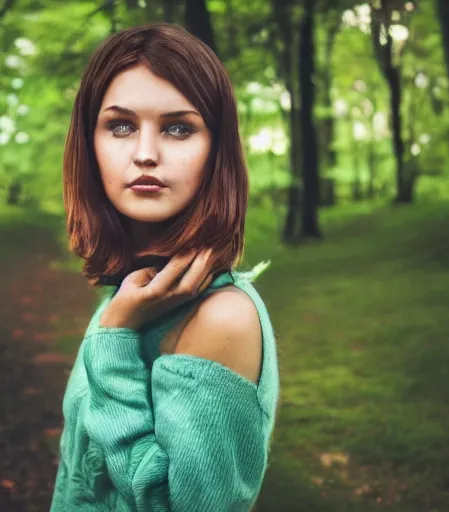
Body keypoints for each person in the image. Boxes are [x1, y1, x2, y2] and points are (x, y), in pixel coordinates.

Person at [50, 22, 280, 512]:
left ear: (215, 151)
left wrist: (112, 340)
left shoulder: (220, 319)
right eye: (121, 125)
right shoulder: (132, 291)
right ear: (88, 143)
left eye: (178, 127)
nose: (145, 154)